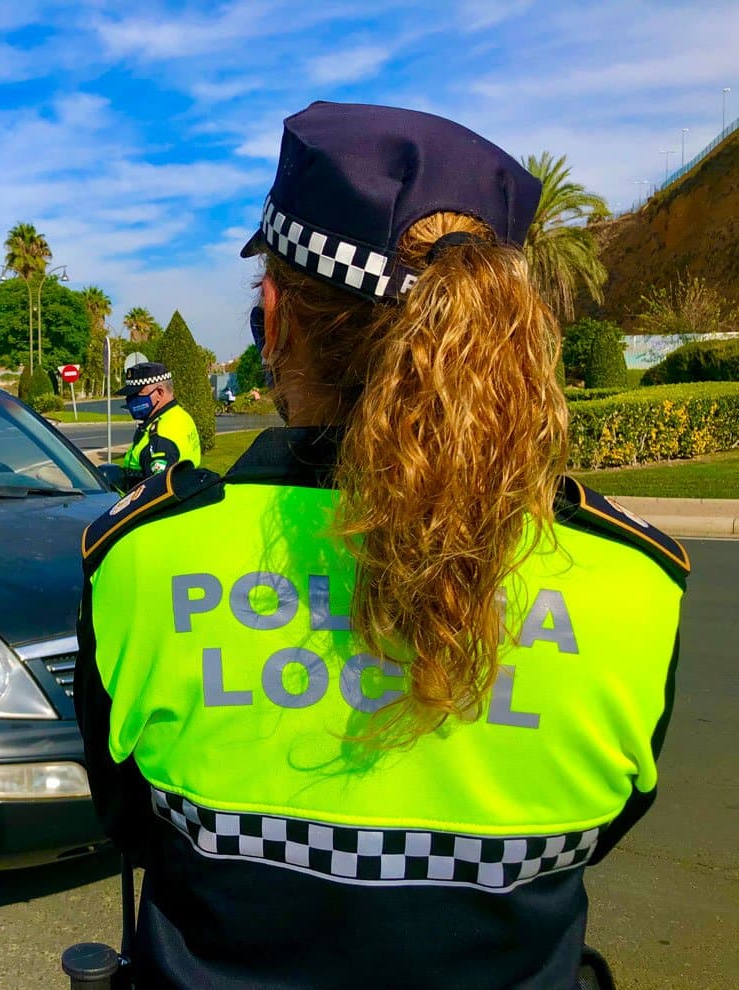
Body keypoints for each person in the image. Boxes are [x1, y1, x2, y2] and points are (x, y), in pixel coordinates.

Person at [75, 102, 688, 989]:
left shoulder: (138, 556)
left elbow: (129, 823)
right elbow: (604, 831)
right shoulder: (634, 580)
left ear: (275, 315)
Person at [116, 361, 201, 488]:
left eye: (138, 394)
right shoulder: (180, 415)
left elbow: (155, 492)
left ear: (160, 393)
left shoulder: (159, 438)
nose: (131, 400)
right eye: (130, 395)